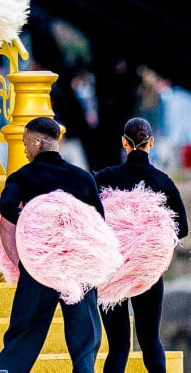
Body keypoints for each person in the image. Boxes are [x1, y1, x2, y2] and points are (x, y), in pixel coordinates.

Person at [0, 116, 105, 373]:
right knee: (85, 341)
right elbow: (99, 222)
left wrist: (35, 225)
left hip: (39, 266)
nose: (24, 149)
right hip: (78, 267)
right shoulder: (83, 178)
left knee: (23, 335)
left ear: (38, 141)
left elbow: (6, 207)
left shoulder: (22, 176)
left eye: (25, 143)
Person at [94, 117, 189, 373]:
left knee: (118, 346)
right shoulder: (163, 181)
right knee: (150, 340)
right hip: (147, 272)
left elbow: (93, 219)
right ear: (152, 143)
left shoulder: (105, 178)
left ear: (124, 142)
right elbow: (182, 228)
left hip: (112, 272)